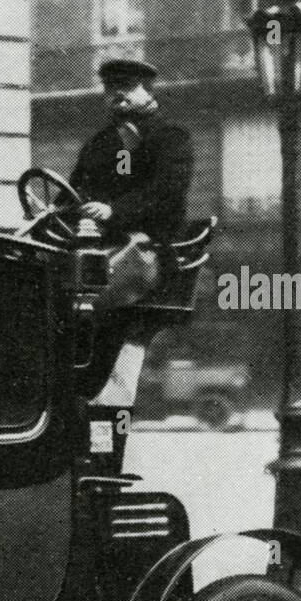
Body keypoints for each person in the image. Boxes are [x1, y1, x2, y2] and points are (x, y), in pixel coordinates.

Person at [69, 58, 195, 407]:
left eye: (126, 87)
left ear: (146, 89)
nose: (118, 96)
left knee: (88, 306)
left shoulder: (170, 137)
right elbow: (75, 191)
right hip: (98, 251)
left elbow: (166, 193)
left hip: (145, 252)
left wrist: (114, 211)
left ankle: (89, 391)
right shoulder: (100, 144)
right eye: (111, 89)